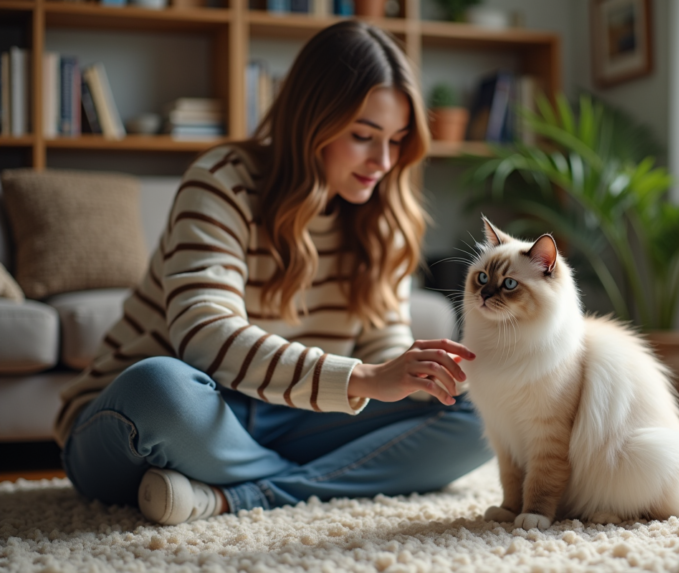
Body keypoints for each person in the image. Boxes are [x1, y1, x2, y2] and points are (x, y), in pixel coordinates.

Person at [54, 20, 492, 525]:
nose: (384, 161)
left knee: (479, 407)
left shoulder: (386, 218)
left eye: (397, 140)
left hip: (288, 418)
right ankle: (302, 484)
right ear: (311, 121)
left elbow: (383, 354)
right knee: (160, 387)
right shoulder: (223, 181)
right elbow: (205, 337)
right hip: (168, 418)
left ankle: (235, 493)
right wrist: (366, 378)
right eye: (363, 136)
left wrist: (429, 378)